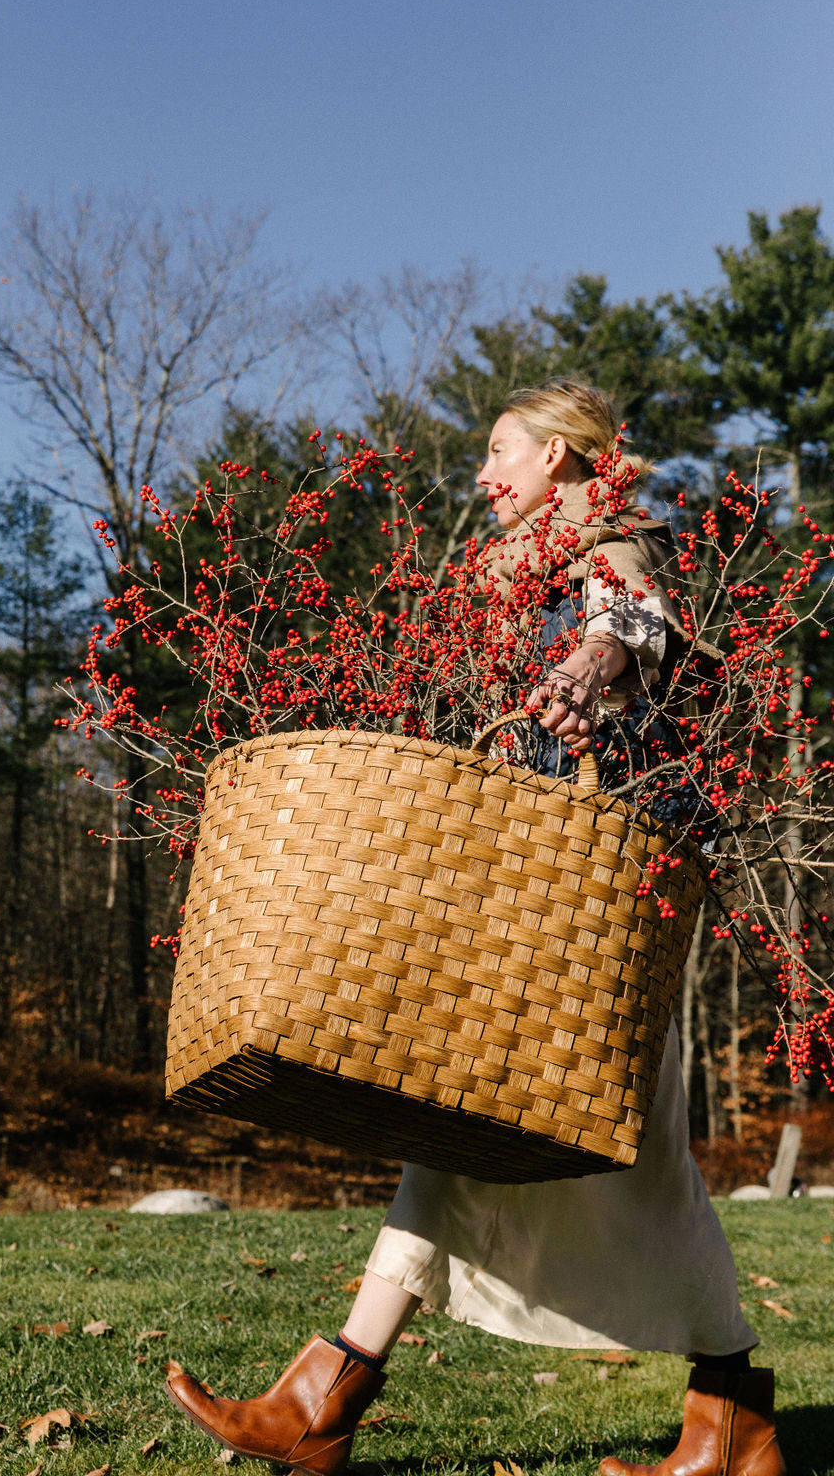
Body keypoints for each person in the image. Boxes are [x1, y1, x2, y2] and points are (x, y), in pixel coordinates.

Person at [166, 381, 786, 1476]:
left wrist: (598, 666)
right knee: (463, 1133)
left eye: (498, 453)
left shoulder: (613, 547)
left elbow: (629, 621)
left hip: (601, 922)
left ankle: (727, 1417)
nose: (483, 476)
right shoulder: (514, 577)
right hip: (540, 913)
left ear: (557, 456)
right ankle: (328, 1401)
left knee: (613, 1163)